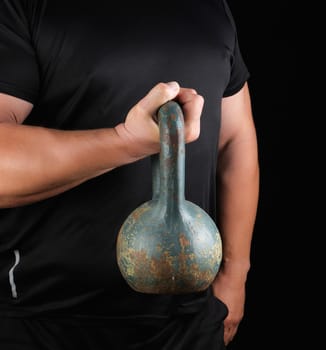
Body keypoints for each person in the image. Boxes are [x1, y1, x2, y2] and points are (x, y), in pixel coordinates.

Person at [0, 0, 259, 349]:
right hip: (47, 319)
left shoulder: (212, 7)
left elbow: (234, 140)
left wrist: (234, 271)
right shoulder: (22, 8)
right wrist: (125, 143)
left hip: (187, 319)